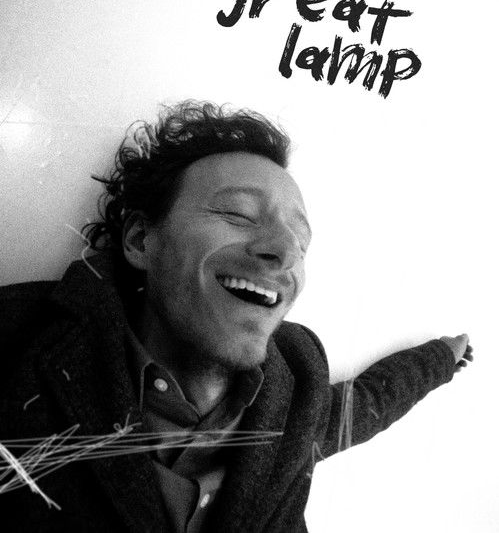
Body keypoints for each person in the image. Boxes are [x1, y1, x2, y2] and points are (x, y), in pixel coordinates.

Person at [0, 101, 473, 533]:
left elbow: (367, 404)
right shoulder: (14, 345)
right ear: (142, 240)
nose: (286, 251)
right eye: (239, 213)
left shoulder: (296, 395)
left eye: (301, 242)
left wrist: (442, 358)